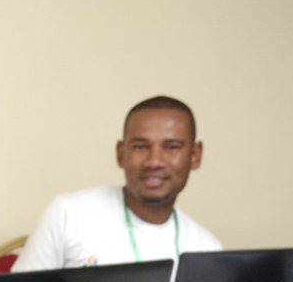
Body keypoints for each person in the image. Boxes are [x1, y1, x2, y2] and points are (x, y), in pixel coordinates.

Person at [12, 95, 221, 270]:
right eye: (140, 147)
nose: (154, 161)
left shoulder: (207, 250)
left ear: (195, 156)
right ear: (121, 154)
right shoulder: (68, 214)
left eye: (172, 147)